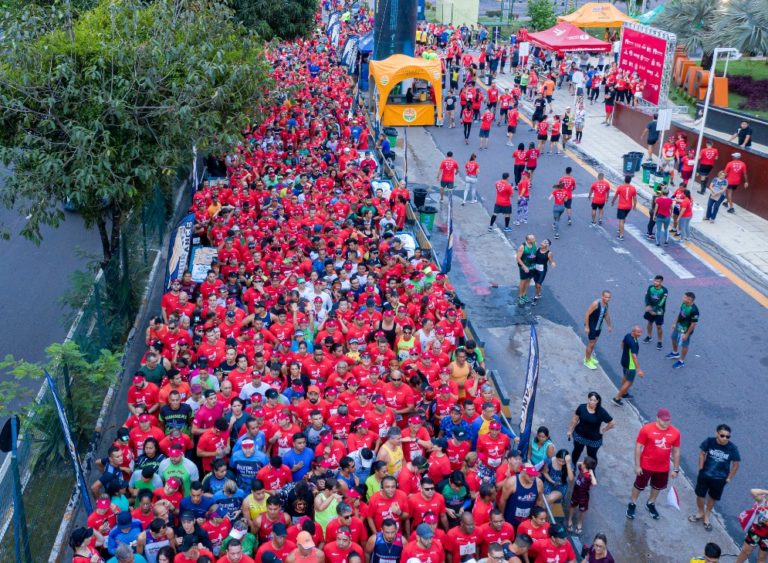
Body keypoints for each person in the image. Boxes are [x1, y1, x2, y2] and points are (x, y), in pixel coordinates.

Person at [626, 408, 681, 521]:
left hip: (663, 467)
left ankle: (651, 503)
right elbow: (638, 447)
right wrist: (637, 465)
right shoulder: (647, 429)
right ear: (657, 419)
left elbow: (676, 451)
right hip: (646, 465)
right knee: (639, 485)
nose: (667, 423)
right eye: (664, 420)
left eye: (668, 420)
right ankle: (632, 503)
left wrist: (676, 469)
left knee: (657, 487)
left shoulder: (675, 433)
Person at [690, 424, 740, 531]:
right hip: (705, 475)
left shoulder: (732, 448)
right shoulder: (709, 441)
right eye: (722, 435)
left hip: (720, 479)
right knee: (700, 495)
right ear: (716, 433)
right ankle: (700, 512)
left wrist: (728, 478)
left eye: (728, 436)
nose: (725, 438)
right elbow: (702, 454)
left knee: (713, 497)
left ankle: (707, 516)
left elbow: (736, 465)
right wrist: (701, 469)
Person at [567, 392, 614, 464]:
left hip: (594, 439)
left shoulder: (601, 411)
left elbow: (612, 423)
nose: (592, 402)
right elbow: (575, 420)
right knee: (577, 451)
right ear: (588, 399)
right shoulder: (581, 407)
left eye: (594, 400)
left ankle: (591, 471)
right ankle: (573, 466)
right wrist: (570, 430)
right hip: (579, 435)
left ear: (597, 401)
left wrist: (603, 430)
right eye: (591, 399)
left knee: (592, 456)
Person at [666, 291, 699, 369]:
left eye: (684, 297)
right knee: (673, 338)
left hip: (685, 330)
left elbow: (693, 324)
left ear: (689, 300)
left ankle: (681, 361)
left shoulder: (694, 310)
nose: (682, 298)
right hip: (679, 326)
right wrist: (675, 323)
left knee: (684, 345)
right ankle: (675, 353)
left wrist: (687, 334)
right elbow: (680, 314)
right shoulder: (684, 304)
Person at [612, 326, 644, 406]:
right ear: (633, 332)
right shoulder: (633, 342)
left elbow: (622, 343)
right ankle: (617, 398)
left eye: (641, 332)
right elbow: (634, 356)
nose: (640, 334)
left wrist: (625, 353)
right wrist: (639, 369)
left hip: (624, 361)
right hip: (630, 365)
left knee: (626, 377)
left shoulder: (628, 335)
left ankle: (624, 393)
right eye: (638, 332)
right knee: (629, 382)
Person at [734, 489, 768, 563]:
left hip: (767, 537)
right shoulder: (764, 500)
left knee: (762, 557)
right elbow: (753, 492)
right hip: (755, 532)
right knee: (745, 551)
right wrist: (766, 492)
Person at [567, 456, 597, 535]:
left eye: (583, 463)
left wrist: (591, 472)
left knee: (582, 511)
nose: (582, 463)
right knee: (572, 506)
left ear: (585, 465)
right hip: (575, 493)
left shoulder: (589, 476)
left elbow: (594, 483)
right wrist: (584, 464)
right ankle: (569, 520)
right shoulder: (582, 469)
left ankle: (580, 524)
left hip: (583, 497)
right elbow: (578, 463)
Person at [583, 291, 612, 370]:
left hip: (598, 327)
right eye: (606, 297)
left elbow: (606, 315)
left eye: (609, 297)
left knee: (594, 343)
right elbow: (587, 314)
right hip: (592, 326)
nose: (607, 299)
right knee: (591, 343)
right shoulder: (595, 304)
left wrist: (609, 325)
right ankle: (586, 360)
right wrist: (587, 327)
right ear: (602, 296)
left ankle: (589, 357)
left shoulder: (606, 305)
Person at [643, 275, 668, 350]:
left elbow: (662, 302)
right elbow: (647, 297)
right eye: (655, 281)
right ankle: (649, 336)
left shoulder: (664, 290)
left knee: (659, 326)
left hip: (659, 311)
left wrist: (654, 310)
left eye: (658, 281)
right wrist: (648, 306)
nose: (656, 282)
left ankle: (659, 341)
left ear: (661, 282)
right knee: (649, 322)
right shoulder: (650, 287)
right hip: (650, 308)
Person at [610, 177, 636, 241]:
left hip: (621, 206)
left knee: (621, 220)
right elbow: (635, 198)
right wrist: (634, 206)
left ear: (624, 180)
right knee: (623, 218)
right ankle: (620, 229)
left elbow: (615, 196)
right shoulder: (633, 188)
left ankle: (621, 235)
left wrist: (613, 202)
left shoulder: (620, 187)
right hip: (628, 207)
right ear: (630, 181)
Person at [516, 235, 537, 306]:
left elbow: (535, 253)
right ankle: (520, 296)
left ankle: (524, 295)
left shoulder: (534, 244)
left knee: (528, 280)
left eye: (534, 238)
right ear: (528, 240)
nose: (534, 239)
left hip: (532, 266)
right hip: (524, 267)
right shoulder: (522, 247)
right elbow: (518, 259)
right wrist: (524, 267)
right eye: (533, 239)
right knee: (523, 281)